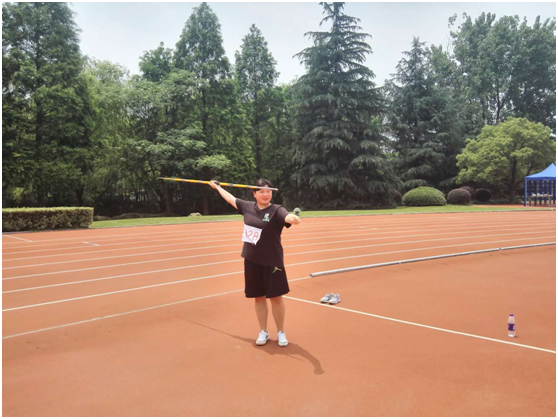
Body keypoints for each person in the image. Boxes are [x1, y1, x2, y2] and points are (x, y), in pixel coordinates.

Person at [209, 179, 300, 347]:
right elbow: (231, 199)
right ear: (254, 193)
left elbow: (286, 216)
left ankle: (280, 331)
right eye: (262, 191)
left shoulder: (277, 210)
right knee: (259, 297)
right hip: (252, 260)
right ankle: (263, 331)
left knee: (276, 298)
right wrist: (217, 187)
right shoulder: (247, 207)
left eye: (268, 191)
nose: (266, 194)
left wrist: (292, 218)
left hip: (272, 261)